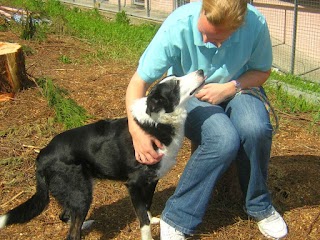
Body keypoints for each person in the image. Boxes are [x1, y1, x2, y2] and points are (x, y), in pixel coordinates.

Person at [125, 0, 288, 239]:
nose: (203, 41)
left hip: (237, 87)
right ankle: (178, 217)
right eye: (202, 32)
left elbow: (262, 71)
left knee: (256, 129)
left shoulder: (255, 24)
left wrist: (229, 88)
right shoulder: (178, 24)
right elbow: (138, 82)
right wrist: (136, 130)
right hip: (190, 94)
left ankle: (259, 205)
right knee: (222, 139)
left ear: (238, 28)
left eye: (214, 38)